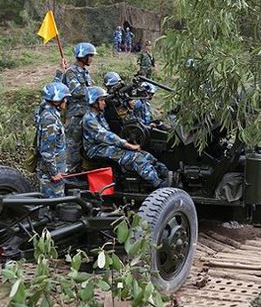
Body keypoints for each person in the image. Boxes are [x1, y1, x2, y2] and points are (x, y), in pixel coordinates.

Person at [82, 86, 169, 188]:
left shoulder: (100, 115)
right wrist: (127, 145)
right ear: (93, 101)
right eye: (101, 100)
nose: (104, 103)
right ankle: (158, 184)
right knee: (135, 157)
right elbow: (106, 136)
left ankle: (165, 173)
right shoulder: (89, 119)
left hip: (106, 146)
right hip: (96, 149)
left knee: (145, 155)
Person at [61, 42, 96, 173]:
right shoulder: (71, 72)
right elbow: (77, 91)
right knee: (72, 145)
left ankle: (81, 170)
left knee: (84, 144)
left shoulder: (85, 72)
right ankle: (70, 172)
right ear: (83, 56)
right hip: (75, 114)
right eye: (90, 55)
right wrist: (95, 92)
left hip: (85, 113)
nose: (92, 58)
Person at [36, 82, 71, 198]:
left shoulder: (47, 111)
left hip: (56, 169)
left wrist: (60, 72)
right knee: (52, 204)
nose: (65, 102)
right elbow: (46, 150)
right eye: (64, 99)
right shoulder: (50, 119)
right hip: (51, 174)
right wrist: (54, 172)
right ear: (56, 101)